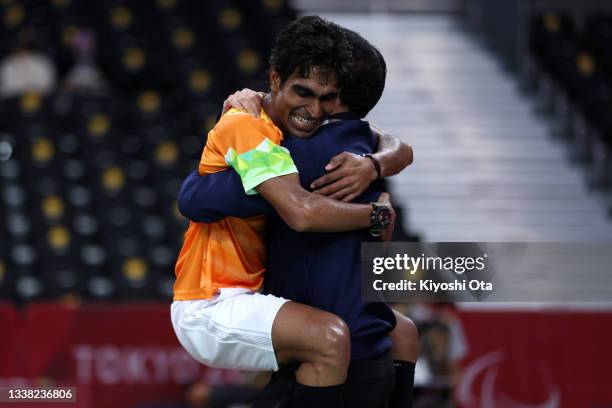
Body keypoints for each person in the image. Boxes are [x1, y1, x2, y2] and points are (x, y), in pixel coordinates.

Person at [178, 26, 418, 407]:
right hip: (212, 300)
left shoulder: (306, 141)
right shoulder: (254, 127)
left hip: (257, 294)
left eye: (326, 99)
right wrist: (375, 214)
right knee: (331, 337)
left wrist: (377, 162)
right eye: (303, 93)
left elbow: (389, 141)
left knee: (400, 330)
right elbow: (198, 200)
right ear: (275, 78)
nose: (313, 110)